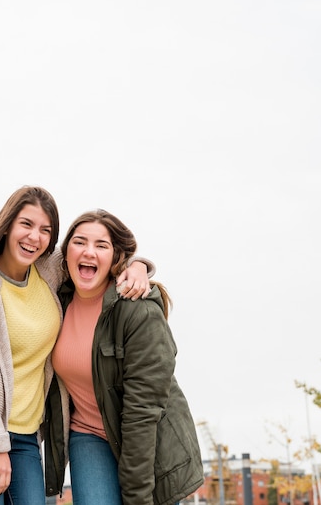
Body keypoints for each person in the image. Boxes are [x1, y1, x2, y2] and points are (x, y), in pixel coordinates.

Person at [0, 187, 153, 505]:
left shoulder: (46, 270)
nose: (35, 237)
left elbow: (92, 256)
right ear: (7, 225)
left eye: (45, 230)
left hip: (27, 436)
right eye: (26, 224)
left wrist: (138, 266)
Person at [45, 209, 204, 505]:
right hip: (88, 435)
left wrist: (137, 498)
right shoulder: (57, 300)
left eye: (101, 245)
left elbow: (142, 413)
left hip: (148, 441)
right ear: (65, 252)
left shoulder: (138, 311)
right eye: (79, 242)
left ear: (115, 256)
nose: (89, 251)